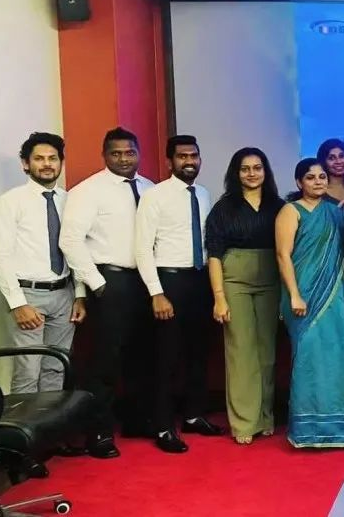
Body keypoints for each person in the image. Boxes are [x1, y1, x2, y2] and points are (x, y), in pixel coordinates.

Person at [59, 127, 153, 459]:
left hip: (146, 281)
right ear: (104, 155)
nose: (124, 159)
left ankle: (136, 420)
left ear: (138, 153)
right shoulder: (87, 191)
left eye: (129, 152)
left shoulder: (149, 188)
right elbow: (70, 241)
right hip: (109, 279)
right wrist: (97, 284)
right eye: (116, 153)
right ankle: (98, 431)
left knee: (142, 354)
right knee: (105, 360)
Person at [135, 135, 224, 453]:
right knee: (167, 358)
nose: (189, 161)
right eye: (182, 156)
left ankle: (193, 415)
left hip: (200, 280)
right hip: (169, 282)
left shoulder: (204, 193)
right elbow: (142, 248)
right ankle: (162, 427)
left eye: (194, 156)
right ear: (169, 161)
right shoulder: (154, 196)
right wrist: (156, 293)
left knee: (198, 353)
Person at [276, 158, 344, 447]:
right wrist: (294, 294)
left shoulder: (336, 213)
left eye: (322, 176)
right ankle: (307, 432)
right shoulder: (290, 211)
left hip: (333, 295)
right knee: (309, 359)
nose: (318, 181)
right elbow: (283, 255)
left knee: (342, 356)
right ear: (299, 182)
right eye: (310, 177)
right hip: (302, 296)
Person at [0, 132, 87, 395]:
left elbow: (76, 250)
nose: (47, 164)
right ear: (26, 164)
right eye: (39, 158)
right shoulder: (9, 202)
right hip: (28, 295)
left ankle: (49, 422)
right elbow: (0, 256)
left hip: (65, 294)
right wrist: (18, 304)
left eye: (53, 158)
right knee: (28, 372)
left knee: (57, 368)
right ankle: (25, 422)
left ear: (61, 163)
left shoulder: (70, 200)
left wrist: (79, 295)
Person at [205, 148, 284, 444]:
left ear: (266, 171)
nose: (252, 173)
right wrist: (219, 297)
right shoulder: (223, 208)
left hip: (271, 282)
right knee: (241, 352)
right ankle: (244, 423)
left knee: (267, 353)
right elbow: (214, 255)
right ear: (236, 173)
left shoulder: (279, 206)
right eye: (245, 168)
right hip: (234, 282)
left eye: (257, 167)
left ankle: (265, 417)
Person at [317, 138, 344, 206]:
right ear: (323, 162)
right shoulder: (316, 194)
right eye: (331, 158)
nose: (338, 161)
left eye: (342, 156)